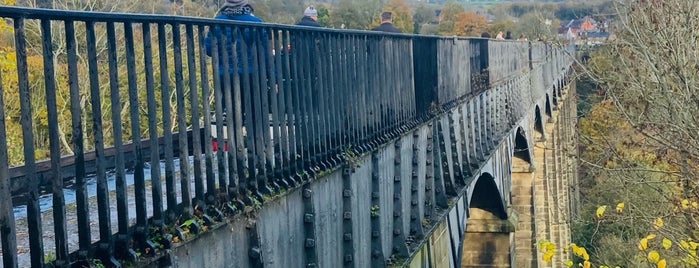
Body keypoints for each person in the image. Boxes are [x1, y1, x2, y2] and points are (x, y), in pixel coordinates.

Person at [204, 0, 272, 134]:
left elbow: (209, 50)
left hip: (225, 75)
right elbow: (265, 54)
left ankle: (234, 147)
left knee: (232, 113)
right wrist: (271, 76)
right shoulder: (256, 22)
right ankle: (256, 147)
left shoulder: (217, 22)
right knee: (254, 112)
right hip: (252, 74)